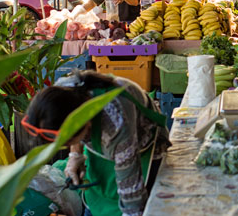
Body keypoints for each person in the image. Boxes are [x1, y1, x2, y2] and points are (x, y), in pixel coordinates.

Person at [23, 71, 169, 216]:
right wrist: (75, 156)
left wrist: (131, 212)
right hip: (105, 142)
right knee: (97, 195)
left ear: (84, 125)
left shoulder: (116, 123)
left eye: (68, 142)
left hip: (142, 146)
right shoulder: (60, 95)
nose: (67, 146)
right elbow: (71, 121)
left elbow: (132, 197)